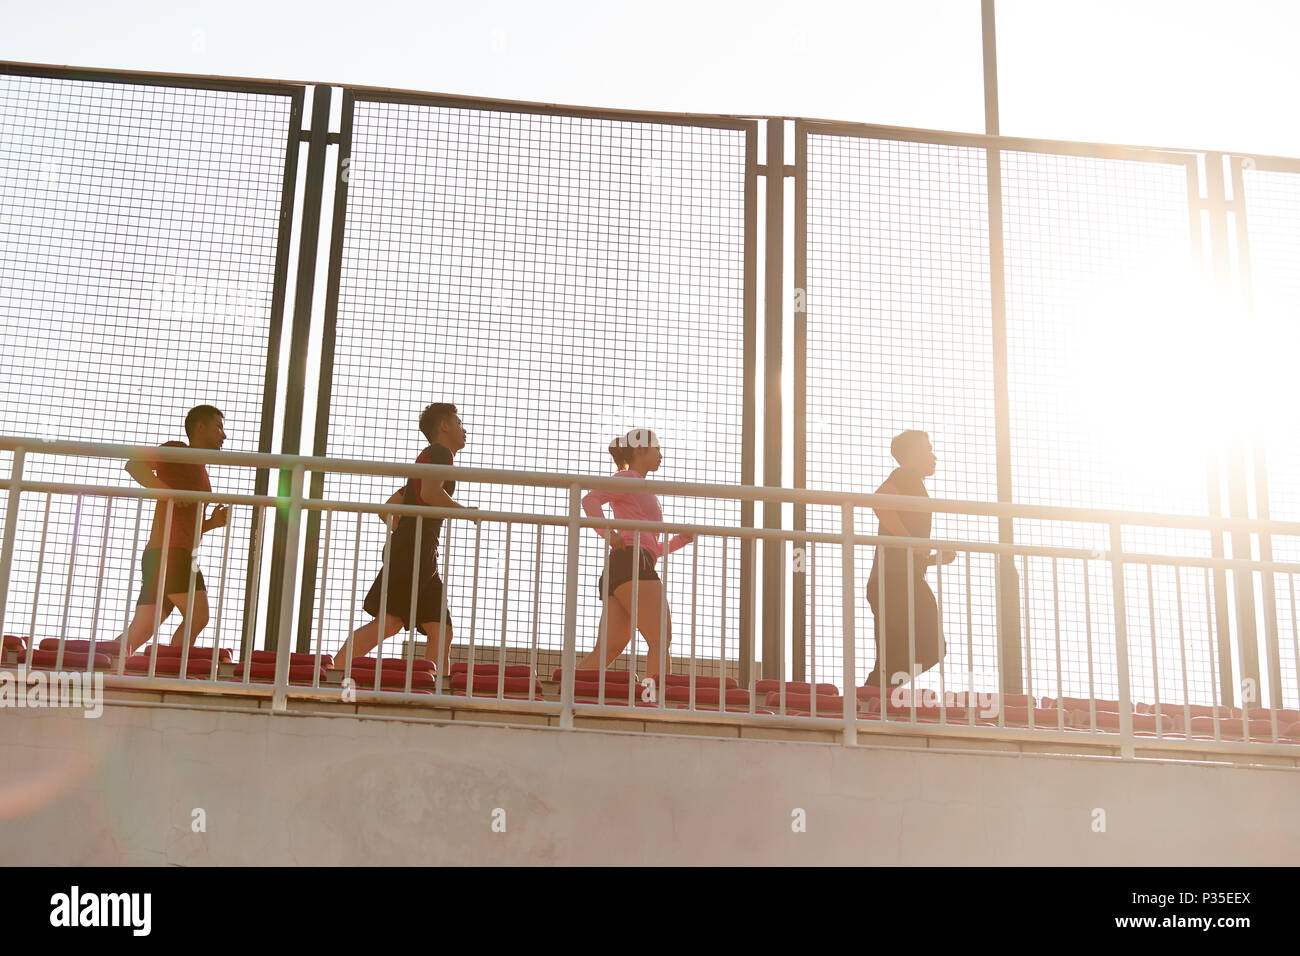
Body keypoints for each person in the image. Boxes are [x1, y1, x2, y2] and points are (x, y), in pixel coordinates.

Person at [337, 403, 472, 673]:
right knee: (389, 623)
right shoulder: (440, 453)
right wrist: (466, 513)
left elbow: (389, 508)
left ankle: (435, 692)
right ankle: (332, 672)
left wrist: (404, 533)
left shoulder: (426, 461)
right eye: (458, 422)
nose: (464, 429)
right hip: (415, 550)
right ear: (444, 426)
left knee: (441, 630)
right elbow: (432, 494)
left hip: (420, 551)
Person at [576, 428, 692, 686]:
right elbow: (590, 500)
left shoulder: (639, 484)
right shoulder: (628, 478)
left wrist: (680, 540)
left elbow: (652, 547)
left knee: (609, 648)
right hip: (632, 563)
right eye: (657, 450)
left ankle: (566, 690)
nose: (661, 456)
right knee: (660, 639)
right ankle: (658, 706)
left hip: (628, 565)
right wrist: (608, 533)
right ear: (640, 450)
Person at [121, 405, 229, 653]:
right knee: (199, 616)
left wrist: (212, 523)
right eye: (219, 427)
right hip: (171, 553)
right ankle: (172, 670)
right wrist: (166, 491)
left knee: (142, 630)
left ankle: (95, 665)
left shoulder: (201, 472)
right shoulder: (178, 450)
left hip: (167, 553)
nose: (224, 435)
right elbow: (134, 464)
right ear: (200, 427)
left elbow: (189, 526)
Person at [863, 430, 955, 691]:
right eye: (928, 450)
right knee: (930, 647)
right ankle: (874, 695)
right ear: (913, 454)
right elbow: (880, 502)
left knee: (910, 652)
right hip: (894, 581)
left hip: (899, 577)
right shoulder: (906, 476)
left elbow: (906, 550)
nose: (934, 456)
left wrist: (934, 559)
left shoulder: (913, 481)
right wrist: (913, 543)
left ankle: (876, 694)